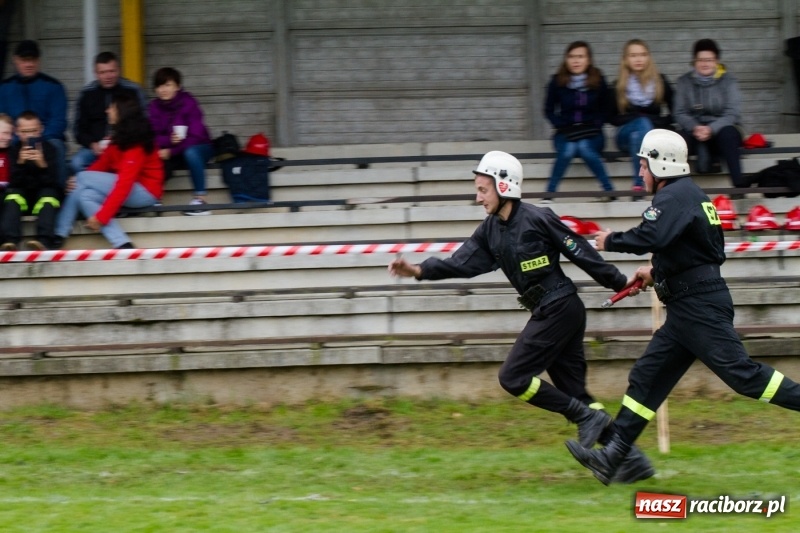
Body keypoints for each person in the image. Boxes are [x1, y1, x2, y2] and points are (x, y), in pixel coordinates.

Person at [388, 150, 653, 484]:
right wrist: (417, 270)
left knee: (512, 377)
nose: (478, 197)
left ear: (504, 185)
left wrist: (619, 282)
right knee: (578, 397)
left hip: (561, 308)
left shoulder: (538, 218)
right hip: (552, 311)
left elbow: (580, 252)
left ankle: (587, 421)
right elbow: (460, 263)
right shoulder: (489, 230)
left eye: (482, 190)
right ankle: (631, 461)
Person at [565, 129, 800, 485]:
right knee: (647, 377)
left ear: (659, 164)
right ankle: (613, 457)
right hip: (689, 306)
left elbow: (653, 236)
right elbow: (693, 251)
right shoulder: (688, 194)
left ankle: (614, 455)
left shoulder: (673, 196)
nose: (640, 173)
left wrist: (610, 239)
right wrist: (654, 271)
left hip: (697, 307)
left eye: (643, 165)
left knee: (744, 377)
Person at [54, 93, 163, 250]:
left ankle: (58, 234)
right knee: (85, 196)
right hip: (130, 188)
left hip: (146, 193)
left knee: (81, 178)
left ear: (121, 112)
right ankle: (123, 244)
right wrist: (76, 181)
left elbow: (123, 185)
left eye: (111, 108)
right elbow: (101, 165)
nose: (107, 111)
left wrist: (101, 216)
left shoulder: (136, 145)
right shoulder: (118, 138)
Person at [544, 41, 615, 200]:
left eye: (581, 56)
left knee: (583, 147)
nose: (576, 61)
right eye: (572, 57)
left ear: (588, 60)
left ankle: (609, 191)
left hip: (592, 133)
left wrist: (596, 123)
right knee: (568, 149)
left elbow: (607, 108)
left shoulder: (599, 80)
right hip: (565, 133)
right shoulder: (557, 81)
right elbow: (548, 110)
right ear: (566, 60)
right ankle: (549, 194)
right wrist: (560, 124)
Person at [673, 39, 745, 188]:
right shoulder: (683, 82)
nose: (705, 64)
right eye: (700, 60)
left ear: (717, 61)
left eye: (709, 60)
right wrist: (695, 127)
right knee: (677, 141)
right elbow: (679, 112)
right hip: (694, 131)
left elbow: (732, 113)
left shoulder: (729, 81)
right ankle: (676, 191)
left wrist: (711, 129)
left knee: (729, 134)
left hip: (722, 130)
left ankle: (739, 188)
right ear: (694, 61)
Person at [0, 40, 68, 187]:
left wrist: (36, 139)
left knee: (57, 146)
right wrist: (18, 137)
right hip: (15, 138)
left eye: (33, 60)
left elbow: (58, 122)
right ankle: (7, 193)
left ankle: (59, 195)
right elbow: (2, 119)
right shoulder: (5, 87)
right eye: (24, 60)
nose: (29, 64)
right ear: (15, 60)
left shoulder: (53, 86)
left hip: (45, 138)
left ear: (38, 61)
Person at [610, 39, 673, 194]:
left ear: (648, 58)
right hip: (623, 134)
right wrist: (638, 119)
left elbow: (676, 112)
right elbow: (611, 118)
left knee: (637, 137)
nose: (638, 59)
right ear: (625, 59)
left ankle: (638, 185)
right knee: (640, 125)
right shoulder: (617, 85)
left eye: (643, 55)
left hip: (648, 135)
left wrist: (655, 122)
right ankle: (651, 178)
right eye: (633, 55)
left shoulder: (660, 81)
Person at [148, 67, 214, 215]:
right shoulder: (154, 107)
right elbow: (151, 135)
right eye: (159, 86)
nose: (162, 89)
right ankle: (154, 199)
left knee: (191, 152)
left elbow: (196, 135)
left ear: (177, 86)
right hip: (172, 150)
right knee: (152, 155)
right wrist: (169, 141)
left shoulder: (189, 103)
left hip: (200, 147)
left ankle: (200, 200)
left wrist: (171, 151)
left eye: (167, 85)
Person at [71, 51, 148, 174]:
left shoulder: (133, 90)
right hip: (95, 148)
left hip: (126, 146)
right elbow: (78, 128)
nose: (108, 76)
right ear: (96, 73)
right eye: (103, 72)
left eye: (111, 71)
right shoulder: (87, 93)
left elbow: (144, 122)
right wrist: (92, 144)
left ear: (119, 70)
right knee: (77, 163)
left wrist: (121, 142)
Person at [1, 111, 61, 251]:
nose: (29, 135)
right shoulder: (14, 151)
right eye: (25, 131)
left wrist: (42, 165)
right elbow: (14, 182)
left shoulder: (51, 149)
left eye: (33, 131)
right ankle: (10, 242)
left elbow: (54, 182)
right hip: (24, 197)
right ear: (17, 132)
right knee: (12, 196)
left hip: (42, 195)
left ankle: (44, 241)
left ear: (41, 130)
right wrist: (21, 163)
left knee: (49, 196)